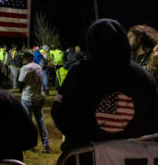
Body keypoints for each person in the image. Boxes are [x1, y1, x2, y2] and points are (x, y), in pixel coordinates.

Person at [52, 19, 158, 156]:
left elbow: (60, 112)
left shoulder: (81, 72)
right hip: (130, 155)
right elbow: (153, 118)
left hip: (85, 154)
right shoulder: (143, 76)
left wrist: (81, 135)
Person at [18, 50, 51, 153]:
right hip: (39, 97)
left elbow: (21, 83)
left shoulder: (26, 68)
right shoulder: (38, 67)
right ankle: (46, 145)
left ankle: (31, 145)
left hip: (28, 98)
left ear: (29, 58)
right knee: (40, 121)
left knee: (28, 123)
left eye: (24, 57)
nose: (22, 58)